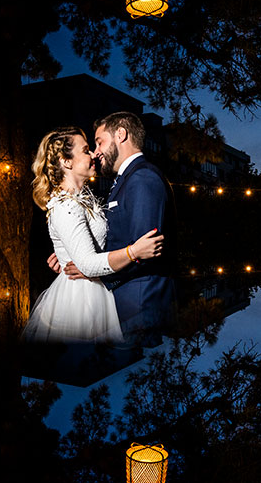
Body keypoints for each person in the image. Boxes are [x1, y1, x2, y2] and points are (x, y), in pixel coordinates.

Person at [22, 126, 164, 344]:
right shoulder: (66, 206)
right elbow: (87, 265)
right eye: (86, 150)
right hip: (80, 298)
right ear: (66, 161)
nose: (93, 155)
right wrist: (134, 251)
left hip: (97, 290)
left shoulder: (83, 198)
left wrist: (68, 251)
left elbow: (86, 244)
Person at [56, 112, 177, 346]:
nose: (96, 151)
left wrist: (91, 269)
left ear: (121, 135)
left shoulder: (142, 178)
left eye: (100, 142)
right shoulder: (124, 180)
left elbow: (146, 251)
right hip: (127, 302)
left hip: (140, 304)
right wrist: (73, 249)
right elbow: (117, 237)